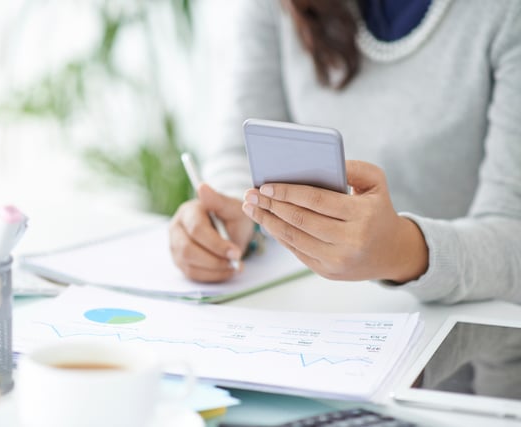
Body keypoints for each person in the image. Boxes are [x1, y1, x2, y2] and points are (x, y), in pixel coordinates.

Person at [169, 0, 521, 304]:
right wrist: (233, 214)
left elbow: (512, 233)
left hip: (474, 344)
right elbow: (238, 152)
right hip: (315, 316)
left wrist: (402, 250)